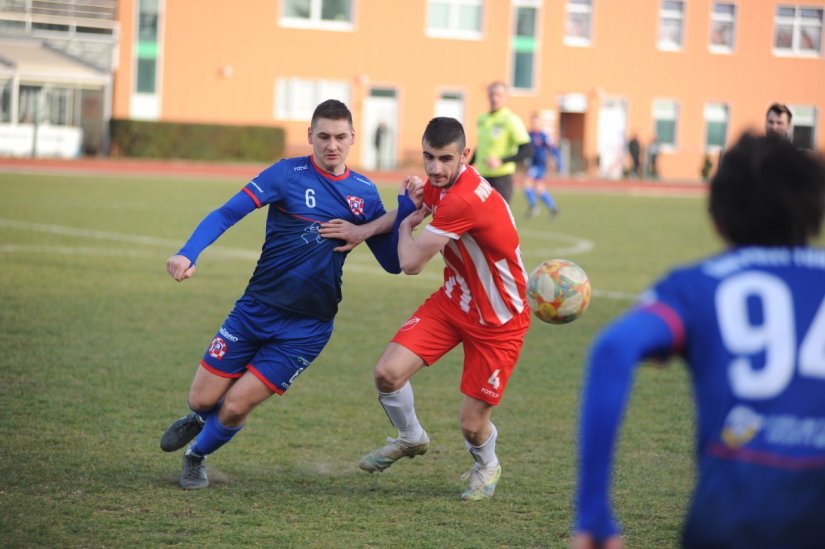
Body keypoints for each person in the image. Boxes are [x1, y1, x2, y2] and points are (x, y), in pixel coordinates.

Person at [573, 133, 825, 548]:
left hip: (730, 522)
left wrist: (594, 511)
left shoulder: (697, 286)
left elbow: (614, 349)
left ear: (717, 216)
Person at [159, 99, 422, 490]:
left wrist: (405, 212)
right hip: (254, 311)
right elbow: (227, 213)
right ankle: (198, 417)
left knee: (234, 406)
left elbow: (392, 263)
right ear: (310, 137)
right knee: (202, 400)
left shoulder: (364, 193)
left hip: (308, 327)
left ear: (352, 138)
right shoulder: (286, 174)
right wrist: (188, 252)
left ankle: (196, 455)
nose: (331, 145)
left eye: (339, 137)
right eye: (323, 136)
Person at [328, 117, 531, 500]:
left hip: (498, 321)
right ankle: (410, 437)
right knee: (387, 374)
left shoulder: (464, 198)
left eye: (444, 159)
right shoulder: (444, 184)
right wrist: (362, 232)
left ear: (464, 156)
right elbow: (414, 210)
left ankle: (487, 465)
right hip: (454, 301)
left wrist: (407, 226)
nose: (435, 168)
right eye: (428, 157)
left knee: (472, 425)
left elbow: (410, 263)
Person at [471, 81, 532, 203]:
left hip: (501, 179)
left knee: (497, 221)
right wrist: (468, 165)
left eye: (499, 95)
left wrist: (501, 161)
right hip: (482, 178)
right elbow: (481, 147)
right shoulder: (482, 119)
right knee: (478, 219)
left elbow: (527, 150)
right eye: (492, 94)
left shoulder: (511, 120)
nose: (495, 98)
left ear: (507, 98)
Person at [523, 113, 560, 218]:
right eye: (533, 121)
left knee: (526, 182)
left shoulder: (544, 135)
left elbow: (552, 148)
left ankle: (534, 206)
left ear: (540, 123)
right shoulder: (528, 134)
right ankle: (553, 208)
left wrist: (556, 160)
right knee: (540, 189)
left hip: (539, 165)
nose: (534, 124)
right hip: (532, 164)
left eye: (536, 122)